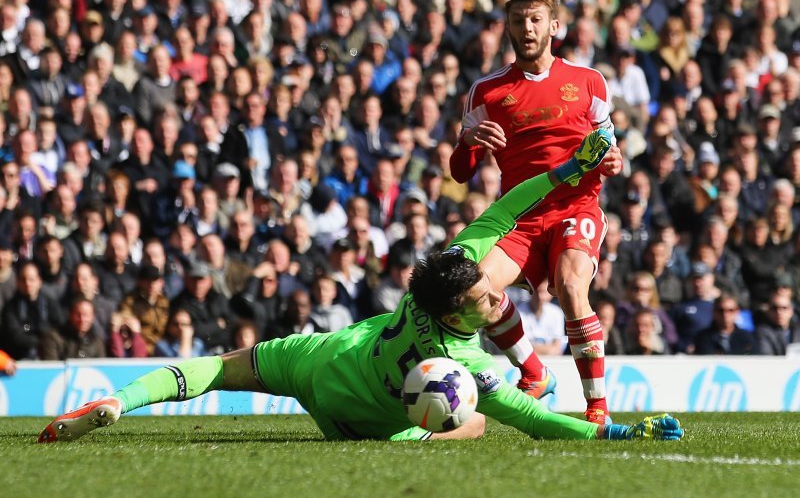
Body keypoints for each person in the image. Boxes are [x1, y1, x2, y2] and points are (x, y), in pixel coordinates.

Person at [38, 131, 682, 444]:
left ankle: (119, 403)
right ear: (461, 307)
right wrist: (619, 433)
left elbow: (509, 204)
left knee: (215, 369)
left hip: (322, 360)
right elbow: (540, 422)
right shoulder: (466, 364)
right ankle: (421, 423)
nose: (500, 298)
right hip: (362, 423)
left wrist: (566, 167)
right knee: (476, 425)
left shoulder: (445, 269)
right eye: (488, 298)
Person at [449, 0, 623, 424]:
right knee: (475, 289)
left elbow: (608, 147)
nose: (526, 28)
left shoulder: (588, 81)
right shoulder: (487, 91)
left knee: (570, 287)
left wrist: (612, 160)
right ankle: (534, 372)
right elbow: (460, 171)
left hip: (575, 207)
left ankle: (597, 408)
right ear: (507, 27)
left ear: (554, 26)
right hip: (521, 217)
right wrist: (468, 141)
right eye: (517, 20)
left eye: (535, 19)